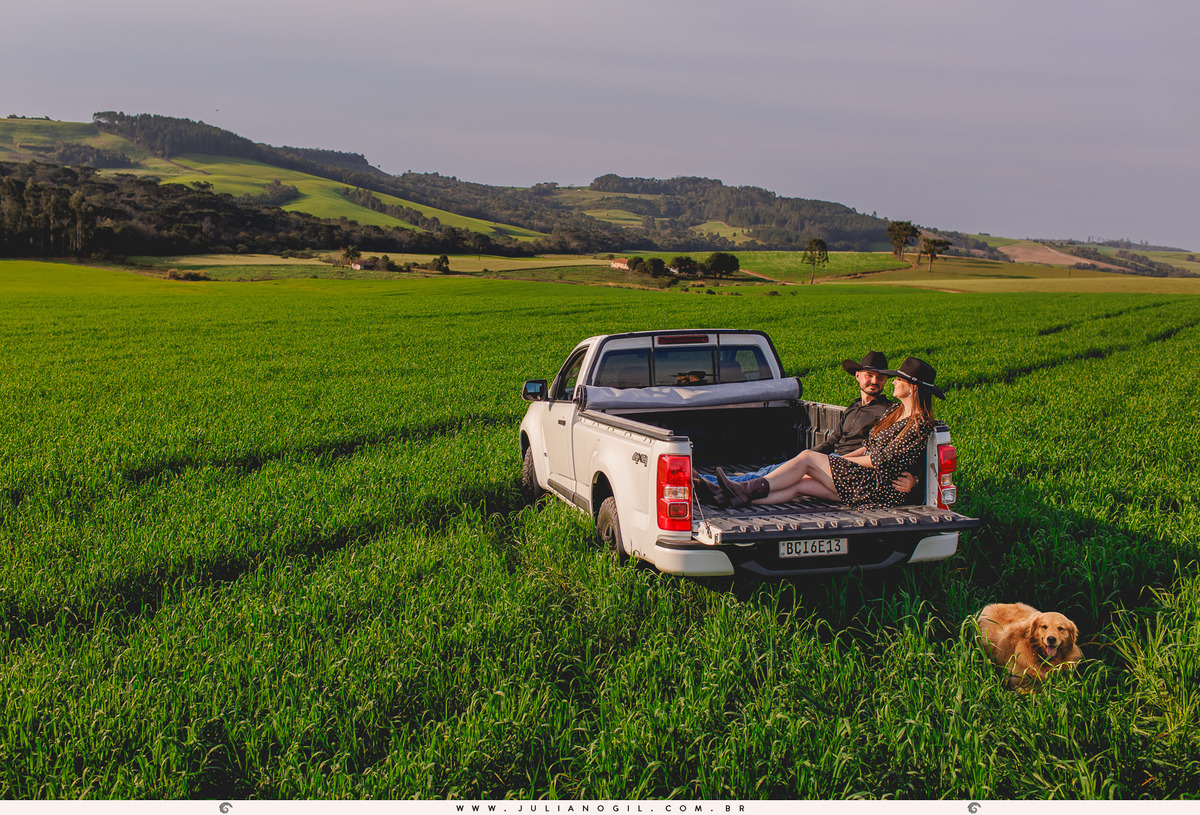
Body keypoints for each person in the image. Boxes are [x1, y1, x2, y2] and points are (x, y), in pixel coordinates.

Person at [716, 356, 944, 510]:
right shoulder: (895, 412)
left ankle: (742, 489)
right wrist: (838, 461)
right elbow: (868, 446)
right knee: (800, 485)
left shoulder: (919, 424)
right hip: (863, 477)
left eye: (899, 379)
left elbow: (882, 459)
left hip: (878, 487)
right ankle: (733, 498)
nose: (893, 382)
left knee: (807, 457)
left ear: (912, 387)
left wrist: (840, 462)